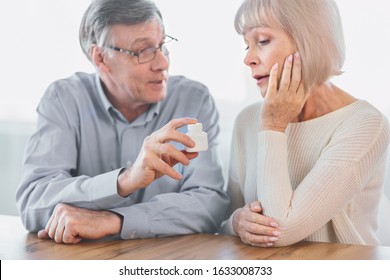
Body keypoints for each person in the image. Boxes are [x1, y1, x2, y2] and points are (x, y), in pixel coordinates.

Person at [16, 0, 229, 244]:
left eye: (162, 46)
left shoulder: (194, 100)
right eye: (143, 51)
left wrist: (114, 220)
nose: (163, 63)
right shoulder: (64, 99)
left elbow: (209, 203)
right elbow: (33, 204)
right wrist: (124, 181)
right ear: (101, 58)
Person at [219, 0, 390, 247]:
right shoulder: (246, 120)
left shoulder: (366, 124)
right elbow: (223, 222)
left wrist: (273, 126)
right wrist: (236, 222)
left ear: (309, 41)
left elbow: (280, 232)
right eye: (246, 45)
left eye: (263, 41)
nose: (248, 58)